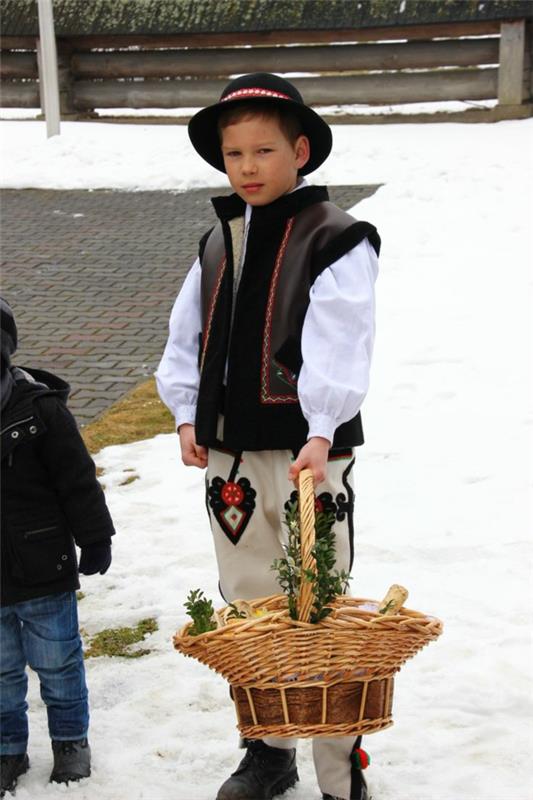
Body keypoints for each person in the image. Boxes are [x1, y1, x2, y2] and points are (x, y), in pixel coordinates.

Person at [156, 72, 380, 800]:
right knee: (250, 600)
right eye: (233, 154)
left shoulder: (336, 237)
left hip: (307, 455)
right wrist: (188, 411)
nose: (246, 168)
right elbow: (185, 336)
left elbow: (341, 341)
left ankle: (338, 770)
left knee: (318, 602)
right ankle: (268, 748)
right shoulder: (217, 239)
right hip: (228, 455)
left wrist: (321, 429)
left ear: (301, 151)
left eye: (262, 150)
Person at [0, 298, 116, 797]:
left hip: (42, 563)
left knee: (57, 662)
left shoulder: (40, 410)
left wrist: (95, 537)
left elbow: (77, 481)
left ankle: (70, 740)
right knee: (1, 671)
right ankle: (8, 747)